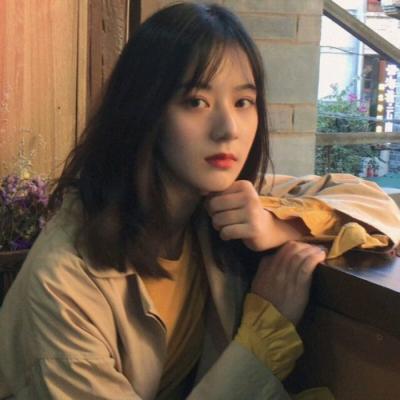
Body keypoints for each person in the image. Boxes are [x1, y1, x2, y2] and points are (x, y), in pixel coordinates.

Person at [1, 2, 399, 399]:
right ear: (143, 111)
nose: (228, 129)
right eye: (196, 102)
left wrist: (278, 225)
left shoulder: (211, 199)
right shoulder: (63, 285)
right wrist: (264, 335)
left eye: (243, 102)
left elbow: (377, 206)